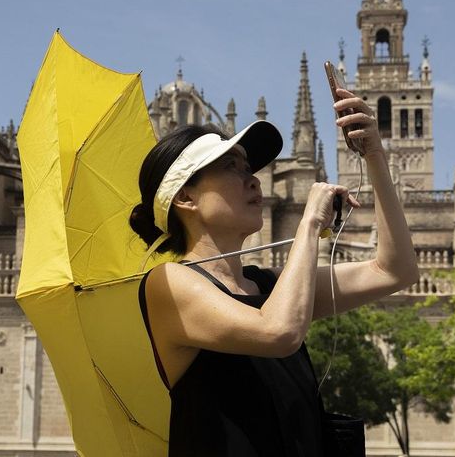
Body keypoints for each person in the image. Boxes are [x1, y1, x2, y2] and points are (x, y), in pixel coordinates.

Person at [128, 88, 418, 456]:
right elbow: (278, 331)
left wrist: (374, 155)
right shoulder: (167, 282)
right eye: (229, 167)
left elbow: (394, 270)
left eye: (248, 167)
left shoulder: (269, 285)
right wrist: (309, 222)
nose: (252, 179)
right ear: (185, 198)